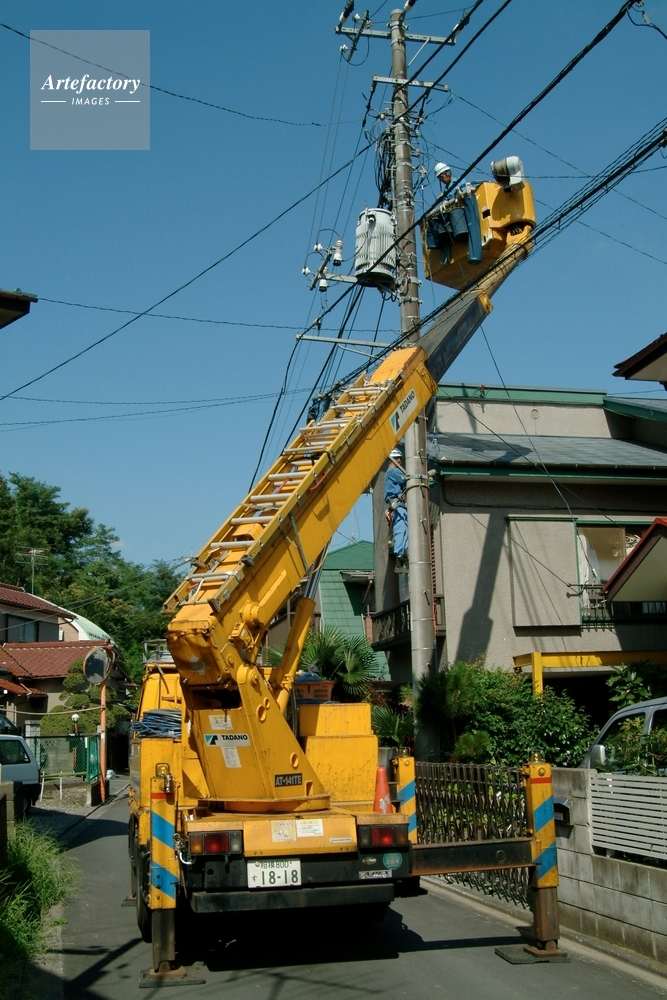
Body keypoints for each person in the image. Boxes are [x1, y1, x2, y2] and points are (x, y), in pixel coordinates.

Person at [384, 448, 408, 565]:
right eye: (399, 459)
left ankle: (403, 553)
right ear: (394, 459)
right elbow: (407, 479)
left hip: (398, 504)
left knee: (405, 528)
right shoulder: (393, 471)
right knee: (401, 527)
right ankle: (399, 554)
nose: (400, 462)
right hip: (397, 504)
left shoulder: (390, 472)